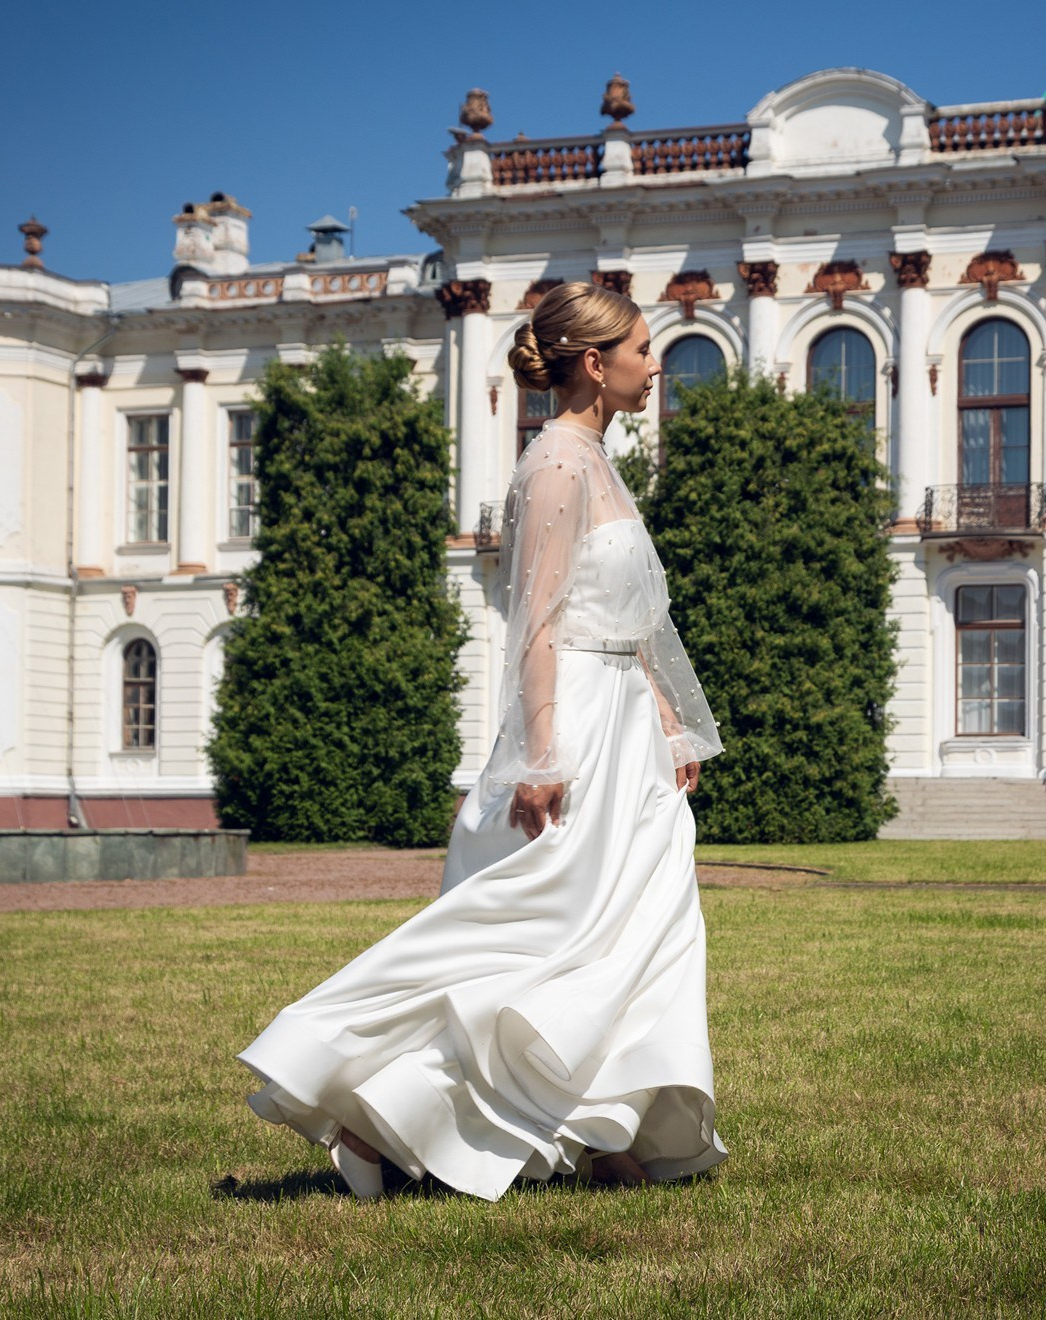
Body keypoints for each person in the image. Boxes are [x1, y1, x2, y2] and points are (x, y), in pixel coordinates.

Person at [235, 281, 728, 1201]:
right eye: (644, 348)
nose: (657, 365)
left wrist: (666, 720)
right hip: (576, 717)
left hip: (625, 718)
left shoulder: (603, 461)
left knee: (640, 927)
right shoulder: (553, 468)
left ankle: (603, 1126)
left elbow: (628, 616)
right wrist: (541, 758)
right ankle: (376, 1107)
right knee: (551, 926)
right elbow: (536, 626)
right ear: (595, 362)